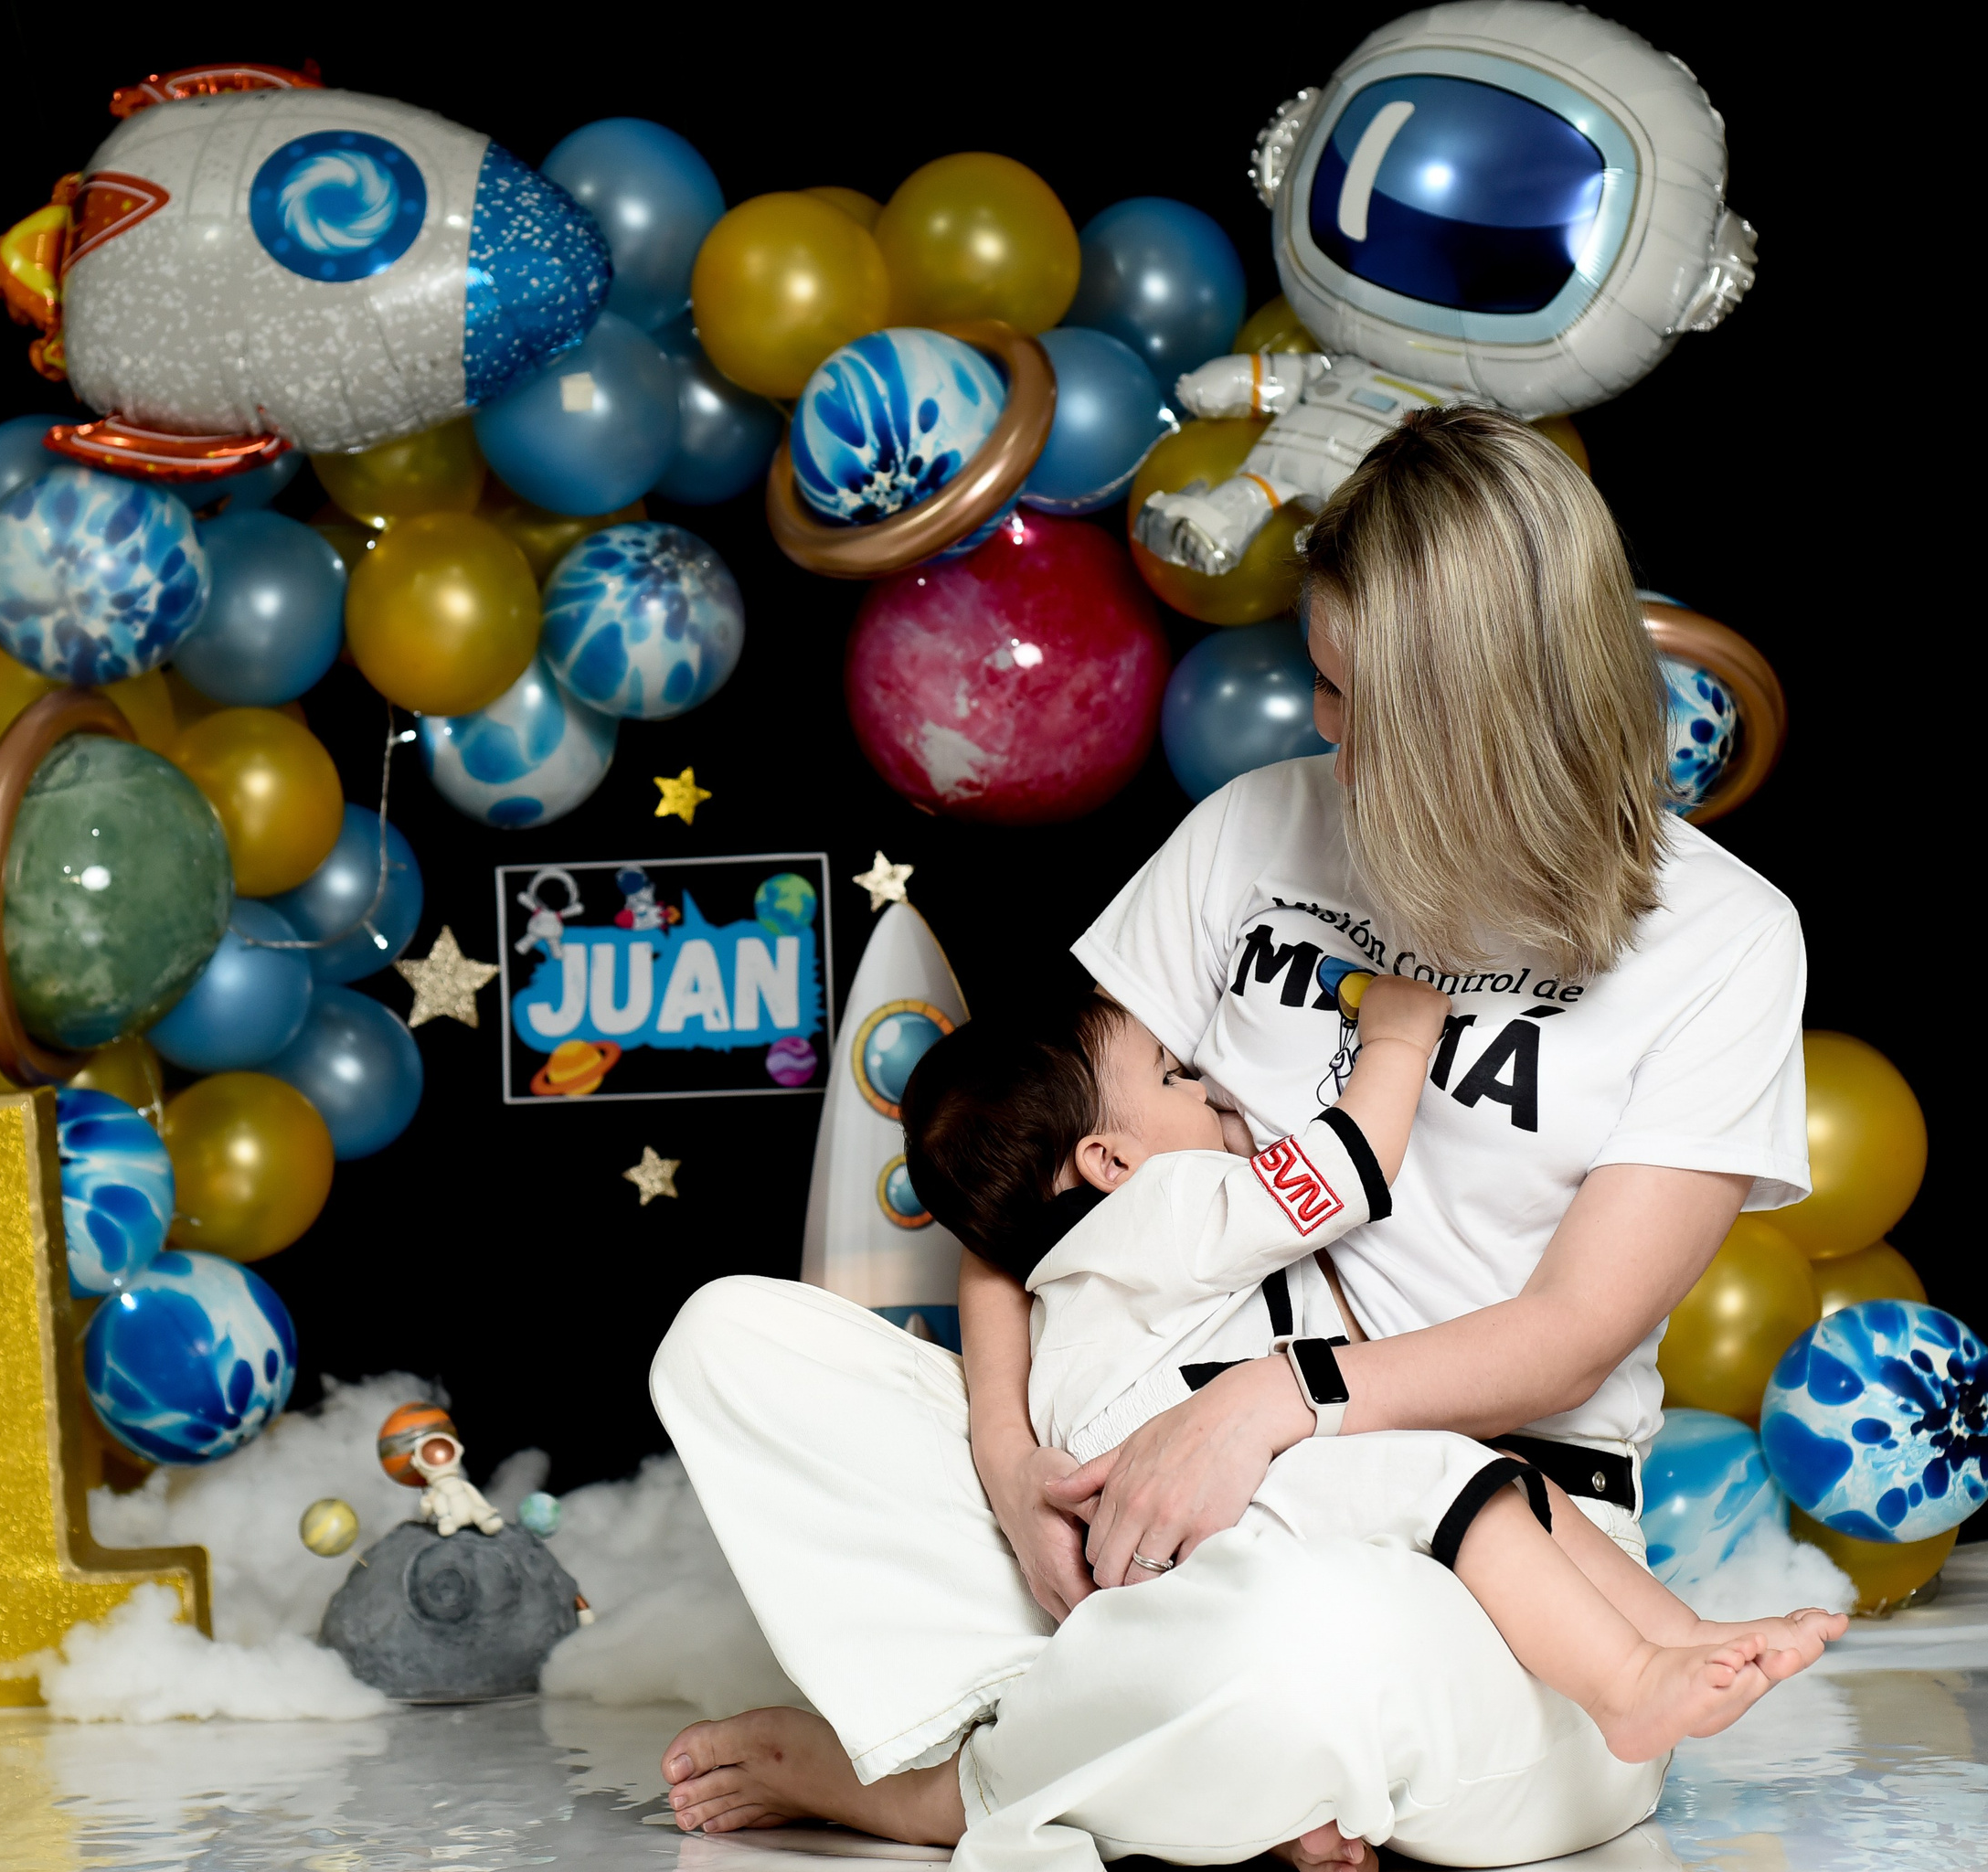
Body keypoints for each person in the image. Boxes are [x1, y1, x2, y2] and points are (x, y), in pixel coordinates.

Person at [652, 406, 1812, 1869]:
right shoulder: (1254, 831)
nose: (1322, 728)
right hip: (1144, 1461)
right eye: (1315, 677)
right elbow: (1047, 1186)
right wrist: (1016, 1468)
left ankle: (936, 1780)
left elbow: (1576, 1333)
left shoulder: (1725, 939)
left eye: (1355, 695)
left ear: (1491, 710)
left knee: (1302, 1637)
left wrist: (1273, 1402)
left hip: (1500, 1542)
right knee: (734, 1347)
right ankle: (1151, 1732)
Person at [900, 985, 1842, 1768]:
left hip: (1145, 1529)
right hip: (1217, 1479)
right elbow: (1349, 1165)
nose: (1212, 1087)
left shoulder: (1057, 1281)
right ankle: (1627, 1682)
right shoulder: (1170, 1201)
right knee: (1451, 1473)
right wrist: (1396, 1035)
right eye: (1177, 1076)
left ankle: (1677, 1636)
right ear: (1110, 1162)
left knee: (1504, 1484)